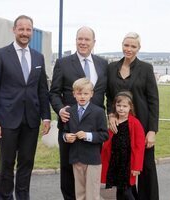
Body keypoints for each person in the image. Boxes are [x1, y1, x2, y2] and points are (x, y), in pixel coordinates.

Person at [0, 15, 51, 200]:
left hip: (31, 121)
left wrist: (46, 117)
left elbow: (42, 90)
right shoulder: (0, 55)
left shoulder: (38, 57)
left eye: (28, 29)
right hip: (7, 120)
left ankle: (23, 197)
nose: (25, 33)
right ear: (14, 30)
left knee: (26, 163)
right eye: (21, 29)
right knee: (7, 164)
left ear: (32, 31)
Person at [49, 26, 108, 200]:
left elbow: (107, 92)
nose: (82, 42)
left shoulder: (103, 64)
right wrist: (60, 109)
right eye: (79, 39)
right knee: (69, 170)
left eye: (87, 39)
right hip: (70, 126)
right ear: (76, 40)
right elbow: (54, 92)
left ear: (94, 42)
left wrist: (111, 113)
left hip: (95, 128)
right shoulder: (63, 63)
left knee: (91, 172)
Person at [107, 32, 159, 200]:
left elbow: (153, 101)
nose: (128, 49)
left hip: (141, 125)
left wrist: (152, 130)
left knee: (146, 167)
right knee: (123, 167)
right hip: (120, 126)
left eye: (133, 46)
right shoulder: (111, 67)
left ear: (139, 48)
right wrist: (110, 115)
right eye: (126, 45)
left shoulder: (146, 68)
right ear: (122, 45)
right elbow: (109, 97)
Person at [63, 78, 108, 200]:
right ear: (74, 94)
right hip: (76, 158)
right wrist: (66, 137)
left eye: (86, 93)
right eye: (79, 93)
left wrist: (87, 135)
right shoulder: (69, 111)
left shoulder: (98, 112)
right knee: (80, 193)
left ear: (91, 94)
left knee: (92, 194)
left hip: (92, 159)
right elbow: (65, 131)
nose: (82, 96)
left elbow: (104, 135)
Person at [101, 91, 145, 200]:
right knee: (119, 191)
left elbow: (139, 147)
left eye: (125, 106)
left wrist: (136, 166)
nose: (121, 108)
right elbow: (107, 142)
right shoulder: (113, 122)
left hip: (127, 164)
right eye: (118, 105)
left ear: (130, 107)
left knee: (126, 191)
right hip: (115, 162)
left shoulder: (135, 123)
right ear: (114, 106)